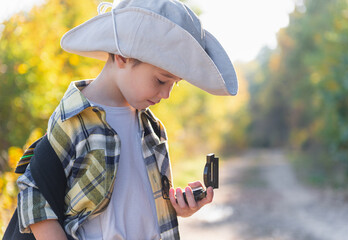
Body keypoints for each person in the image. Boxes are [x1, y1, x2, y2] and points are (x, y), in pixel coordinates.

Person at [9, 0, 238, 239]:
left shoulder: (153, 130)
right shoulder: (73, 121)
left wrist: (178, 206)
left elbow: (140, 208)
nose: (167, 94)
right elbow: (35, 200)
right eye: (161, 80)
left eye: (174, 84)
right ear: (122, 56)